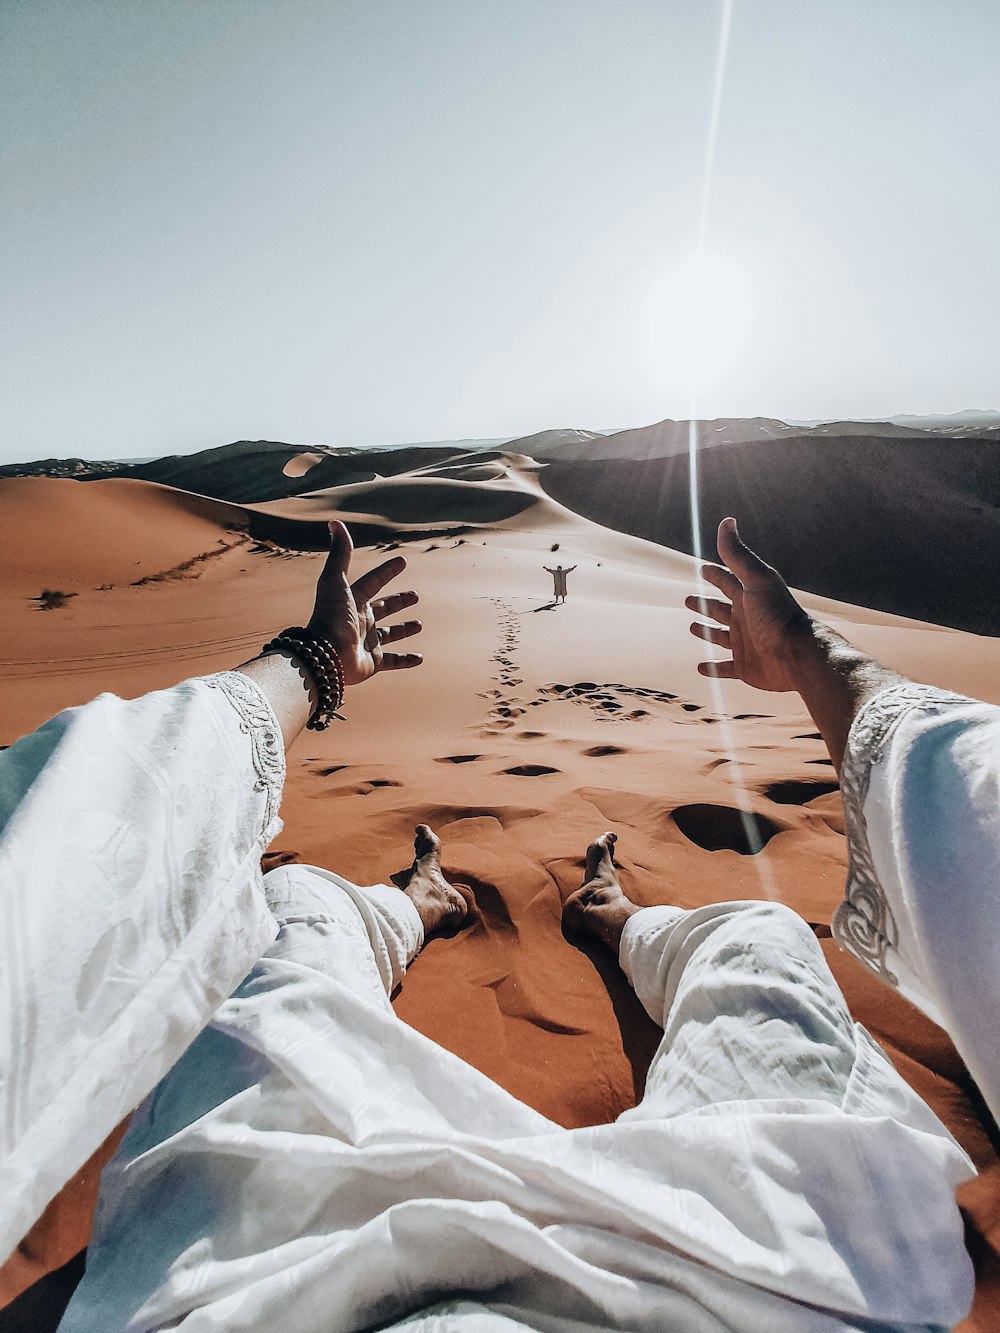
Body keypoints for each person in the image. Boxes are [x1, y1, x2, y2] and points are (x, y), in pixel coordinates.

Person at [1, 517, 992, 1329]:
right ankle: (613, 918)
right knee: (760, 942)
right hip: (751, 1282)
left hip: (251, 1276)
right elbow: (967, 799)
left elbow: (90, 809)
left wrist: (312, 663)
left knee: (296, 909)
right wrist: (812, 655)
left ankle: (413, 905)